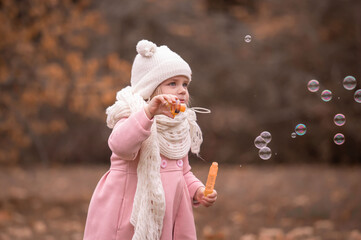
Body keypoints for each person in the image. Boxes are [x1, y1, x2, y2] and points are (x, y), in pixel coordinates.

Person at [83, 39, 217, 240]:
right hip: (130, 211)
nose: (182, 90)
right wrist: (148, 113)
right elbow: (120, 145)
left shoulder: (179, 126)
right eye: (172, 83)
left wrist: (197, 190)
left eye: (185, 84)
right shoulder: (132, 115)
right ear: (150, 89)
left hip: (168, 213)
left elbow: (183, 171)